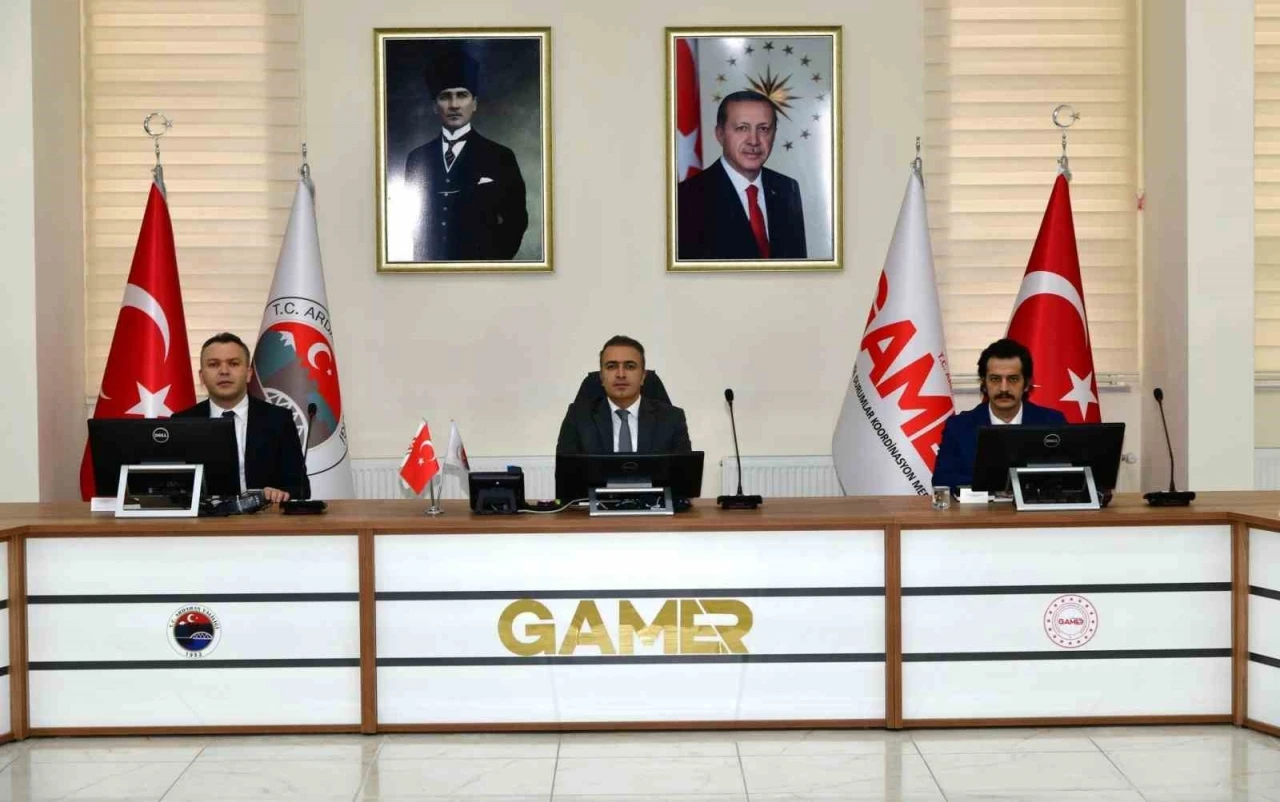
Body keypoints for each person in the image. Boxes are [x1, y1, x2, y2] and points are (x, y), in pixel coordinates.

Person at [402, 49, 528, 262]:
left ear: (474, 103)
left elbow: (516, 221)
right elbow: (411, 222)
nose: (454, 105)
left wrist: (492, 263)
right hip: (430, 272)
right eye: (445, 96)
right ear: (434, 106)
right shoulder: (417, 159)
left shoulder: (500, 156)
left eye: (462, 95)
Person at [174, 333, 306, 503]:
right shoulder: (182, 422)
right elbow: (173, 489)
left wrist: (280, 493)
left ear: (249, 373)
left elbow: (301, 487)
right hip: (204, 517)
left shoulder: (279, 419)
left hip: (262, 516)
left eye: (234, 363)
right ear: (202, 376)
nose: (224, 371)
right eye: (214, 364)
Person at [677, 90, 807, 260]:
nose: (754, 140)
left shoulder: (787, 189)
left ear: (774, 134)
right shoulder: (686, 197)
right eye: (742, 128)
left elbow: (796, 267)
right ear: (720, 134)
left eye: (763, 129)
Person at [932, 337, 1068, 489]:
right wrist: (1003, 485)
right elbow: (942, 481)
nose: (1004, 388)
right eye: (995, 379)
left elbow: (1067, 479)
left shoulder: (1052, 423)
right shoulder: (958, 426)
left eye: (1013, 379)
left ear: (1026, 384)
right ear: (984, 383)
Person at [556, 335, 692, 455]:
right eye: (611, 366)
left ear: (643, 376)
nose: (621, 374)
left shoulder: (672, 419)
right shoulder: (578, 418)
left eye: (630, 366)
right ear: (601, 377)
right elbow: (566, 473)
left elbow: (684, 473)